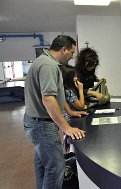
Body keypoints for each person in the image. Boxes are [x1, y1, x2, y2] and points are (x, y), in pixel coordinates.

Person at [23, 35, 87, 189]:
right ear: (63, 49)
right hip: (42, 125)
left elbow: (57, 94)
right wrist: (67, 128)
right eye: (71, 52)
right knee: (56, 167)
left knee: (43, 165)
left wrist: (70, 112)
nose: (72, 56)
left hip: (35, 122)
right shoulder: (48, 66)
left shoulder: (44, 61)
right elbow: (48, 99)